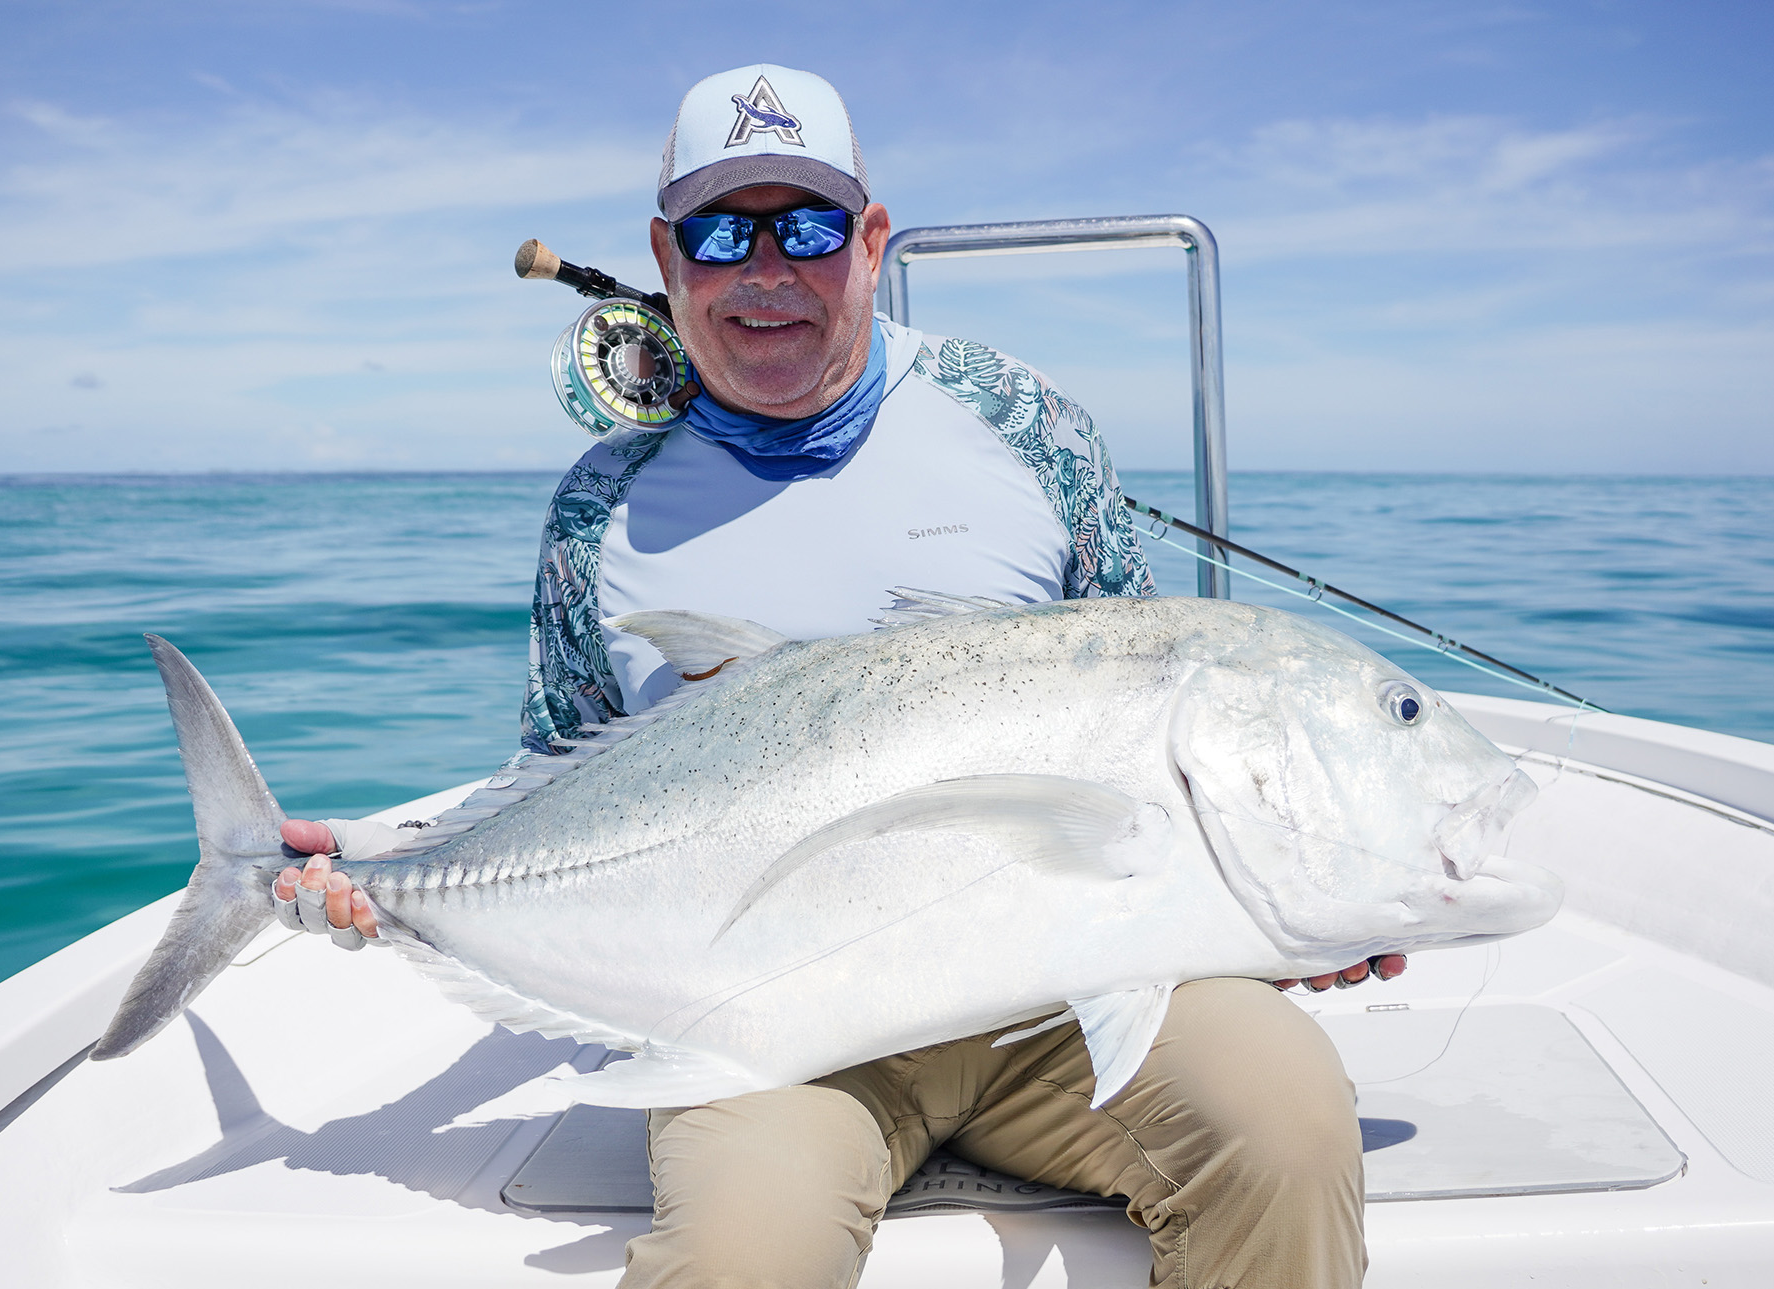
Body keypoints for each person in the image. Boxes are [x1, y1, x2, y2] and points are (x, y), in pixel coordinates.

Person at [273, 64, 1401, 1289]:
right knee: (736, 1260)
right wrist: (403, 856)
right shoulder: (599, 506)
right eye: (721, 232)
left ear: (869, 240)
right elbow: (563, 774)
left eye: (807, 226)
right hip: (777, 1025)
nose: (767, 271)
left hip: (1067, 994)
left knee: (1286, 1125)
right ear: (666, 252)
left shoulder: (1024, 424)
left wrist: (1292, 890)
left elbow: (1140, 737)